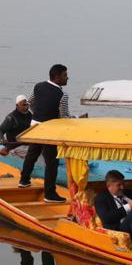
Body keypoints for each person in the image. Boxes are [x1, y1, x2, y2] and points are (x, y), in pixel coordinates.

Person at [20, 64, 86, 202]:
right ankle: (49, 194)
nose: (67, 78)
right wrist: (78, 119)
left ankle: (24, 180)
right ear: (56, 77)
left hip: (35, 127)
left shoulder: (38, 86)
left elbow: (30, 103)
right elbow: (64, 117)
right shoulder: (62, 94)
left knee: (32, 154)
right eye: (65, 75)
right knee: (51, 162)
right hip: (49, 131)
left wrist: (38, 115)